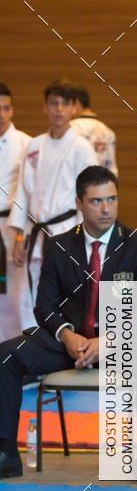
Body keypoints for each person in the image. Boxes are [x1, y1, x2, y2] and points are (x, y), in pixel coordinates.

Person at [0, 165, 137, 485]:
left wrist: (109, 341)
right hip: (70, 343)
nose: (106, 208)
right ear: (79, 203)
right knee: (6, 356)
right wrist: (67, 335)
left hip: (119, 342)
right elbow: (44, 307)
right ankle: (7, 453)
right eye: (96, 201)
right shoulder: (59, 245)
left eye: (112, 199)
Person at [6, 78, 97, 328]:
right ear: (44, 107)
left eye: (65, 104)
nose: (59, 109)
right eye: (54, 103)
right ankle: (30, 348)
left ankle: (62, 347)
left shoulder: (82, 148)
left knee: (65, 294)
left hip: (67, 230)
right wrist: (18, 236)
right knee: (27, 294)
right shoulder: (34, 146)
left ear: (74, 108)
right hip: (35, 232)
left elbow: (89, 197)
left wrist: (85, 238)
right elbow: (24, 193)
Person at [0, 83, 31, 341]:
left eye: (6, 108)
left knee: (15, 293)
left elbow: (27, 191)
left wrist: (21, 234)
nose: (1, 114)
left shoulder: (26, 144)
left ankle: (15, 350)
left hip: (11, 225)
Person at [72, 83, 118, 175]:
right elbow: (112, 170)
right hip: (103, 186)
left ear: (76, 103)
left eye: (66, 103)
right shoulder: (108, 132)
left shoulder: (70, 129)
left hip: (77, 186)